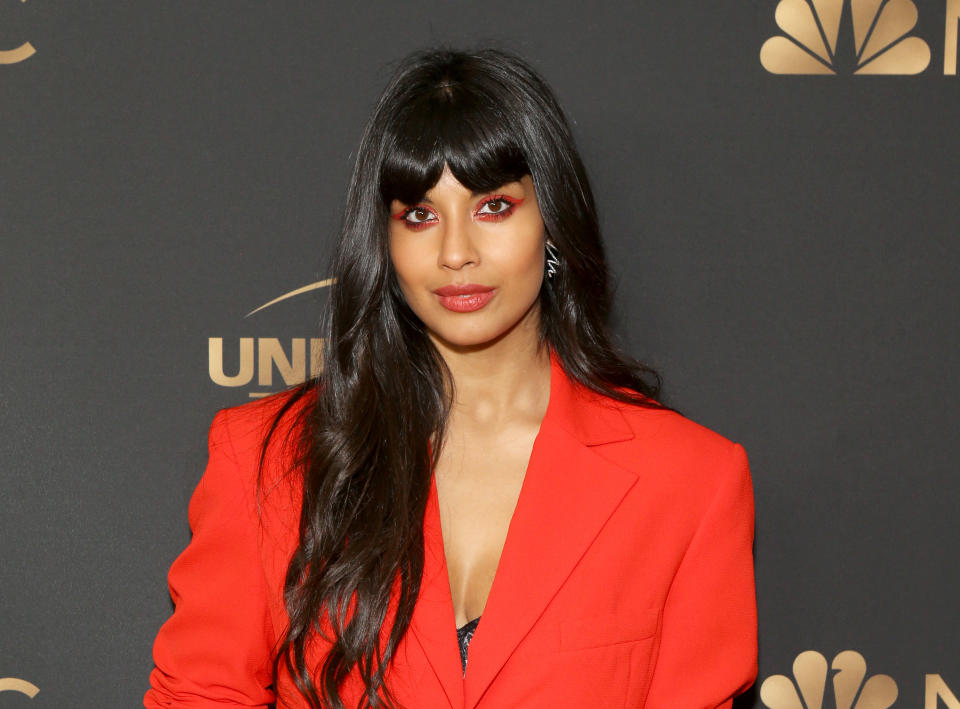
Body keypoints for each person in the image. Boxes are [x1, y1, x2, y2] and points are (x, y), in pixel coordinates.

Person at [145, 45, 757, 709]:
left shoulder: (688, 482)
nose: (456, 252)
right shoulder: (265, 460)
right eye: (421, 214)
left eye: (493, 207)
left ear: (552, 224)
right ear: (383, 240)